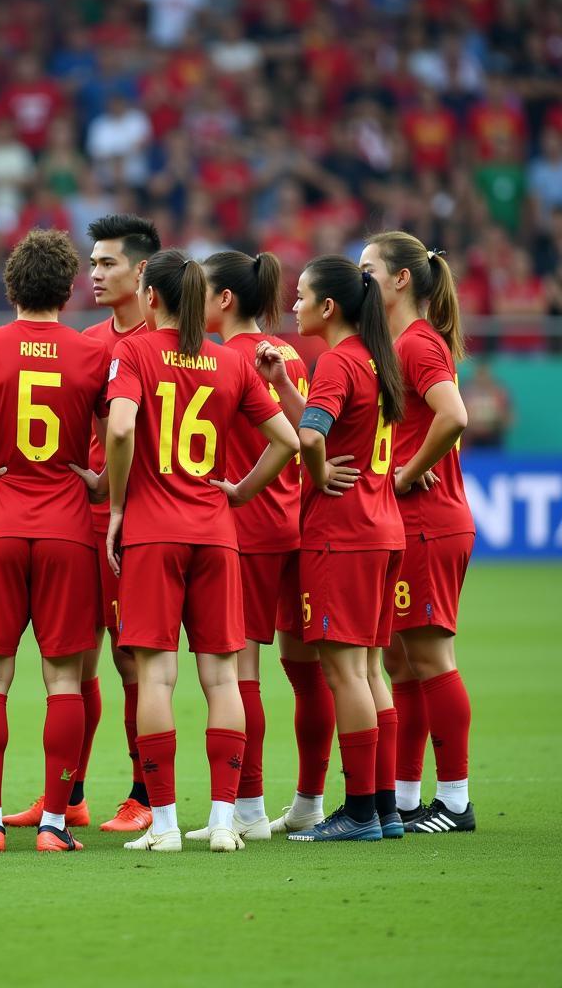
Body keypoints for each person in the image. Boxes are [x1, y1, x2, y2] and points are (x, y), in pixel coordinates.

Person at [105, 249, 298, 852]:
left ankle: (163, 826)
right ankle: (223, 822)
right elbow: (289, 439)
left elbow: (118, 428)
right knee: (223, 681)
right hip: (216, 534)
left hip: (154, 532)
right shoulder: (227, 362)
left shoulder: (133, 351)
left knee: (156, 679)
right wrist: (239, 491)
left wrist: (116, 506)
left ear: (152, 296)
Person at [0, 228, 111, 853]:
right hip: (67, 527)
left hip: (0, 525)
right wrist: (99, 479)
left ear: (11, 287)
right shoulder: (92, 354)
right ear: (68, 288)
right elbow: (122, 434)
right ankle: (56, 825)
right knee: (64, 682)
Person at [5, 214, 161, 834]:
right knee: (79, 661)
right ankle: (65, 797)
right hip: (78, 519)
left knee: (132, 662)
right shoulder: (90, 343)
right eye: (91, 264)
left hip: (137, 521)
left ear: (142, 271)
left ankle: (145, 792)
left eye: (106, 264)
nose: (94, 274)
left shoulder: (168, 342)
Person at [184, 250, 335, 843]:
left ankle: (247, 807)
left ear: (224, 299)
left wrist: (240, 492)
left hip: (246, 530)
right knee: (307, 671)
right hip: (298, 524)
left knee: (237, 671)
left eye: (201, 291)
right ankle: (309, 803)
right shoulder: (290, 354)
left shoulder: (221, 359)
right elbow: (305, 436)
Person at [258, 254, 406, 842]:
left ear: (329, 308)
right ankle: (388, 808)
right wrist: (281, 386)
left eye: (300, 297)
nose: (293, 306)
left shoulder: (337, 363)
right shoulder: (376, 360)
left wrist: (316, 474)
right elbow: (322, 426)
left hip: (341, 536)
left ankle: (361, 811)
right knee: (369, 670)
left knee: (343, 672)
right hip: (381, 528)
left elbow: (313, 438)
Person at [361, 232, 476, 833]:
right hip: (412, 523)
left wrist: (408, 473)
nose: (361, 280)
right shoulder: (398, 343)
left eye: (368, 269)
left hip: (430, 521)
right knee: (401, 663)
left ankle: (455, 802)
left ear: (401, 279)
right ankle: (406, 798)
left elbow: (455, 415)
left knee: (430, 658)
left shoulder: (417, 344)